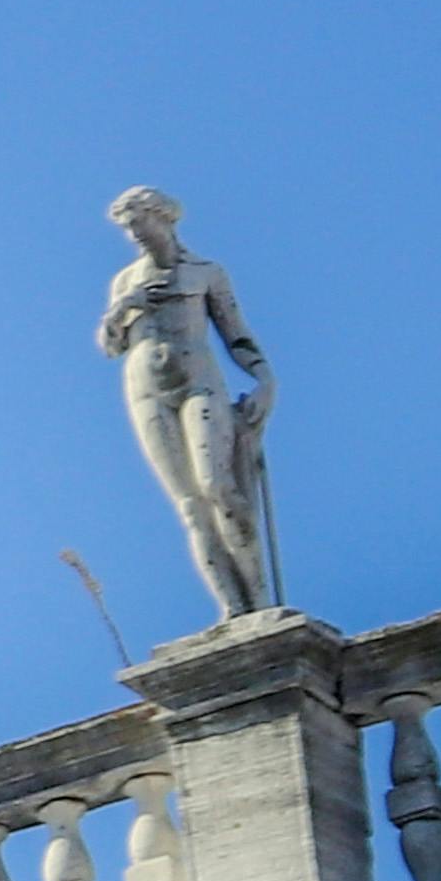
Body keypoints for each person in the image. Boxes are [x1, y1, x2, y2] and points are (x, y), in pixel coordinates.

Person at [100, 189, 278, 623]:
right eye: (127, 228)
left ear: (163, 219)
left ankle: (260, 600)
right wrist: (125, 308)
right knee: (190, 507)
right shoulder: (126, 281)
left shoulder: (205, 272)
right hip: (146, 390)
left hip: (198, 383)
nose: (134, 234)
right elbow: (110, 345)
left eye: (139, 222)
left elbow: (236, 334)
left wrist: (264, 382)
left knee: (217, 486)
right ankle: (232, 608)